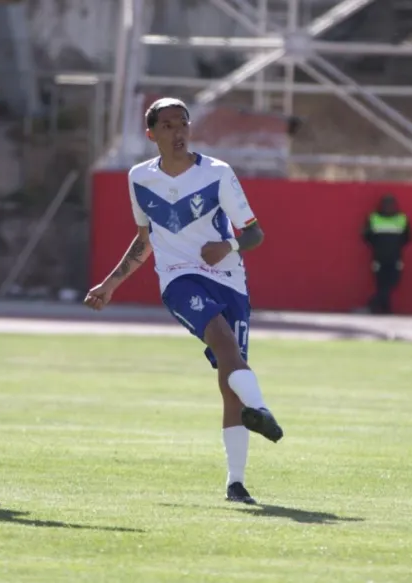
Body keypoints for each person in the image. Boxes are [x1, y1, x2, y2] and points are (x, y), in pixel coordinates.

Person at [83, 97, 283, 505]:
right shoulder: (139, 178)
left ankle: (236, 484)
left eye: (183, 123)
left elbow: (255, 234)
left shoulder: (217, 174)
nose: (178, 132)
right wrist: (110, 284)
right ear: (151, 133)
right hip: (179, 280)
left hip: (230, 280)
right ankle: (262, 410)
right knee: (223, 343)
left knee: (231, 381)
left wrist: (226, 244)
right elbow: (145, 241)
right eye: (168, 125)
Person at [363, 195, 411, 314]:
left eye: (391, 205)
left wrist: (396, 246)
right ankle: (385, 310)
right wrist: (378, 246)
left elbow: (407, 237)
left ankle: (373, 302)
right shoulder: (374, 218)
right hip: (379, 257)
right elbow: (367, 236)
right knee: (380, 283)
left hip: (395, 256)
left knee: (394, 281)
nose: (388, 208)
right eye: (386, 205)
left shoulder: (401, 218)